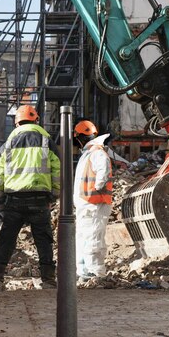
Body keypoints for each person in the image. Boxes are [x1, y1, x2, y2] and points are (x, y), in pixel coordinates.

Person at [0, 105, 61, 292]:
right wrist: (54, 194)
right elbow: (57, 170)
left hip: (13, 199)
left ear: (16, 123)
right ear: (36, 120)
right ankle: (48, 280)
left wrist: (0, 200)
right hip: (39, 199)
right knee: (43, 240)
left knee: (7, 239)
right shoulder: (47, 141)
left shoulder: (8, 144)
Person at [73, 119, 113, 280]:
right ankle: (86, 271)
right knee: (87, 236)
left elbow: (102, 172)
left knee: (92, 237)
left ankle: (95, 272)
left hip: (93, 203)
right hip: (90, 203)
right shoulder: (91, 154)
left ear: (80, 137)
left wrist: (98, 186)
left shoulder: (95, 153)